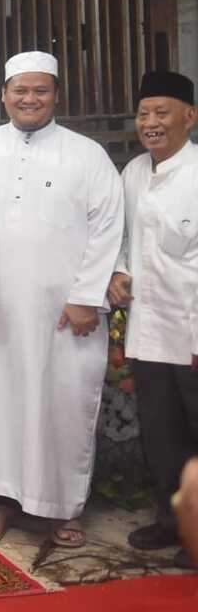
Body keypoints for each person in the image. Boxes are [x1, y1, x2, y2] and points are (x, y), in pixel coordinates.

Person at [0, 51, 124, 548]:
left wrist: (86, 296)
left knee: (64, 405)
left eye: (40, 90)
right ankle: (0, 499)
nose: (29, 99)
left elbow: (108, 227)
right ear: (3, 95)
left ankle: (63, 508)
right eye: (20, 89)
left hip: (65, 313)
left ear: (56, 95)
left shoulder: (87, 155)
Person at [111, 71, 198, 569]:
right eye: (144, 114)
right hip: (149, 330)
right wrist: (120, 271)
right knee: (162, 433)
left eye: (162, 113)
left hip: (191, 331)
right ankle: (171, 520)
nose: (151, 123)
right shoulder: (134, 172)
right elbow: (125, 238)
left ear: (190, 116)